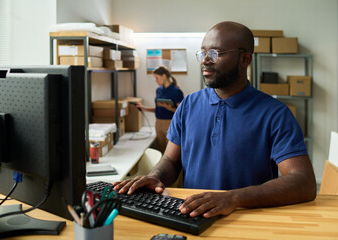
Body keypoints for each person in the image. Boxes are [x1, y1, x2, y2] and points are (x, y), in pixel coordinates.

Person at [114, 21, 316, 219]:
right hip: (193, 217)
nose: (204, 60)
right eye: (203, 53)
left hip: (248, 220)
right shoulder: (188, 106)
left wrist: (233, 198)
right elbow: (170, 160)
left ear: (245, 59)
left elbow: (303, 182)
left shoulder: (274, 114)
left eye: (215, 54)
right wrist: (154, 177)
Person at [136, 66, 184, 153]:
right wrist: (144, 108)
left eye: (157, 78)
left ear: (164, 76)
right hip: (158, 123)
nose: (156, 80)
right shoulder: (159, 90)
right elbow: (158, 109)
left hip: (170, 123)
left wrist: (169, 108)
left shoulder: (176, 91)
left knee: (172, 153)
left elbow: (182, 112)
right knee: (162, 150)